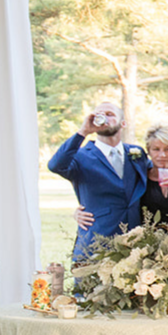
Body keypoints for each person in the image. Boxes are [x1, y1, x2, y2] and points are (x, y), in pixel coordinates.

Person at [49, 100, 152, 262]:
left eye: (110, 114)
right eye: (99, 114)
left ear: (122, 123)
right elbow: (55, 165)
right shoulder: (81, 156)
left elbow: (155, 178)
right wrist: (83, 131)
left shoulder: (136, 153)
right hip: (95, 246)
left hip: (135, 248)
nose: (104, 117)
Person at [72, 122, 168, 236]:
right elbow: (112, 196)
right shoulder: (139, 176)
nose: (162, 155)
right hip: (149, 250)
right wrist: (81, 212)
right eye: (156, 149)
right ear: (148, 151)